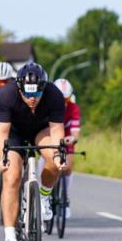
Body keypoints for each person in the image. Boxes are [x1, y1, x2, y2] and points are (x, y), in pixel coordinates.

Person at [0, 62, 68, 241]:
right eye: (27, 94)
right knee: (12, 176)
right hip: (15, 133)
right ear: (19, 88)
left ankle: (43, 196)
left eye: (36, 94)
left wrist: (60, 155)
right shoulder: (7, 94)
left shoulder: (54, 94)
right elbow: (1, 131)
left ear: (43, 88)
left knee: (54, 159)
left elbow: (57, 130)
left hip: (41, 130)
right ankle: (10, 237)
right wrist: (3, 158)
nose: (32, 99)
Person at [41, 77, 80, 219]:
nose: (64, 103)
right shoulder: (46, 106)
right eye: (61, 99)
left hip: (66, 139)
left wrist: (72, 138)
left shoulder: (74, 108)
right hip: (51, 138)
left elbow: (75, 132)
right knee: (47, 163)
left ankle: (65, 200)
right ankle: (44, 194)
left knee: (68, 166)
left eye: (67, 100)